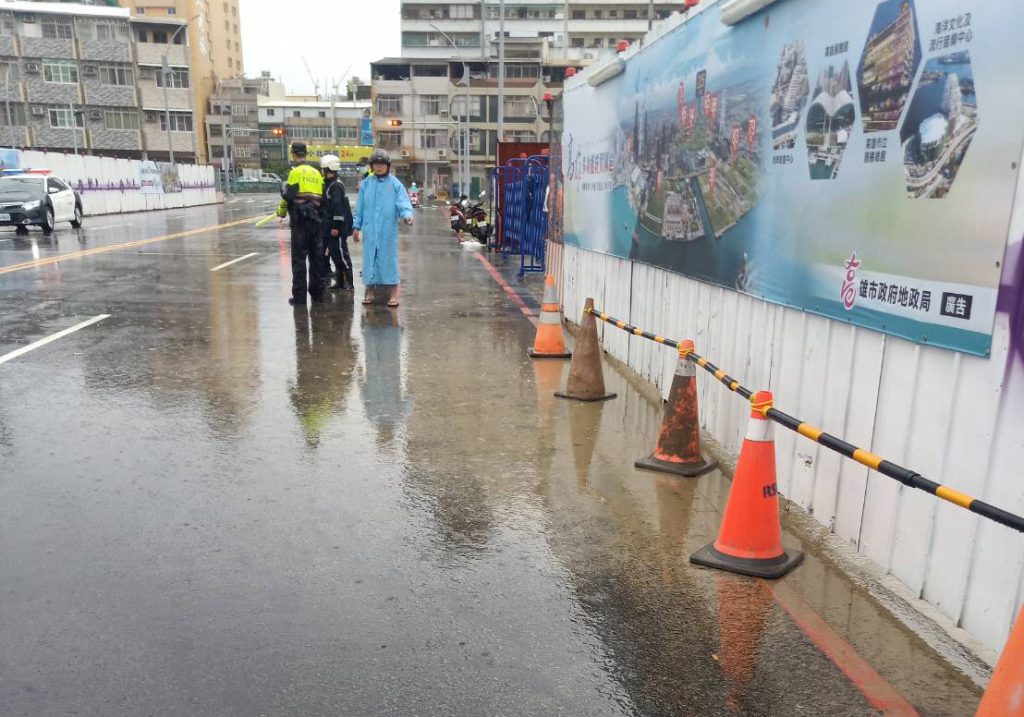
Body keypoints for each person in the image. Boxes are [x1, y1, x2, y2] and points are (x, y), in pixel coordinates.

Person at [352, 149, 413, 307]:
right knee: (370, 261)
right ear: (372, 166)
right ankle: (370, 292)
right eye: (376, 164)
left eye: (382, 164)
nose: (379, 167)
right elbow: (360, 207)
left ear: (387, 166)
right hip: (370, 231)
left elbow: (403, 202)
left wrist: (407, 215)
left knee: (389, 261)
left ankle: (393, 295)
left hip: (388, 232)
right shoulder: (366, 184)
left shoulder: (395, 184)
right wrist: (356, 227)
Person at [277, 142, 325, 305]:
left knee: (299, 260)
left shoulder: (295, 173)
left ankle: (299, 297)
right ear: (306, 153)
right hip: (316, 221)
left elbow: (288, 197)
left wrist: (281, 212)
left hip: (300, 222)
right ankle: (317, 294)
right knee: (316, 259)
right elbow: (323, 198)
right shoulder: (317, 173)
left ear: (293, 154)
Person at [319, 154, 354, 292]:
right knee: (333, 255)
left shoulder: (336, 186)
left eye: (324, 169)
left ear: (329, 169)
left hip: (336, 229)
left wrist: (336, 227)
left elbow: (338, 207)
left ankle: (348, 282)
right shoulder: (328, 184)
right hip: (327, 227)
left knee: (341, 255)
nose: (322, 171)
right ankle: (340, 282)